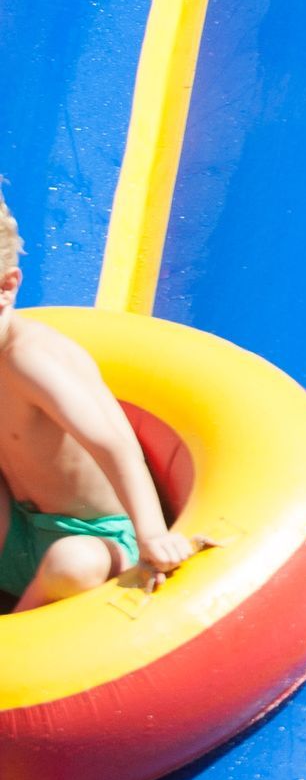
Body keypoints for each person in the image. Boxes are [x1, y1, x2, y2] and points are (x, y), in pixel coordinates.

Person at [0, 200, 194, 609]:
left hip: (95, 536)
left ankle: (15, 633)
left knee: (72, 563)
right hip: (17, 525)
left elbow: (113, 445)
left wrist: (152, 535)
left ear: (6, 286)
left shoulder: (30, 359)